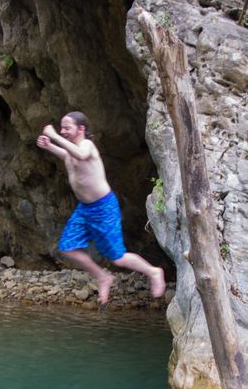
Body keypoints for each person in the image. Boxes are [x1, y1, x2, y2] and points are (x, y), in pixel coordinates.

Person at [36, 111, 166, 306]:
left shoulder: (86, 145)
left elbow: (80, 154)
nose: (63, 131)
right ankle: (102, 277)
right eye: (61, 128)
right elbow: (68, 155)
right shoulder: (72, 150)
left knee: (118, 258)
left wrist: (54, 136)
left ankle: (153, 272)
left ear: (81, 129)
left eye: (66, 128)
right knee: (67, 247)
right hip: (84, 209)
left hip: (103, 208)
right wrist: (50, 146)